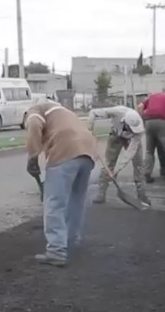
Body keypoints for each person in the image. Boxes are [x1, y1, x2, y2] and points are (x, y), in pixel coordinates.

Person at [25, 101, 97, 267]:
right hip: (88, 151)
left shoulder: (34, 111)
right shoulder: (64, 112)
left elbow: (34, 123)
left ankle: (56, 251)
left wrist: (33, 157)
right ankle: (71, 242)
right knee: (76, 200)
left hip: (65, 151)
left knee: (54, 204)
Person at [87, 105, 149, 206]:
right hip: (116, 135)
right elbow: (93, 113)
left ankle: (142, 195)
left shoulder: (138, 131)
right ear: (125, 122)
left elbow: (129, 154)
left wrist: (116, 171)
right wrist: (89, 131)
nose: (132, 130)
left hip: (131, 140)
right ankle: (101, 193)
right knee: (109, 163)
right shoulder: (117, 111)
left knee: (138, 165)